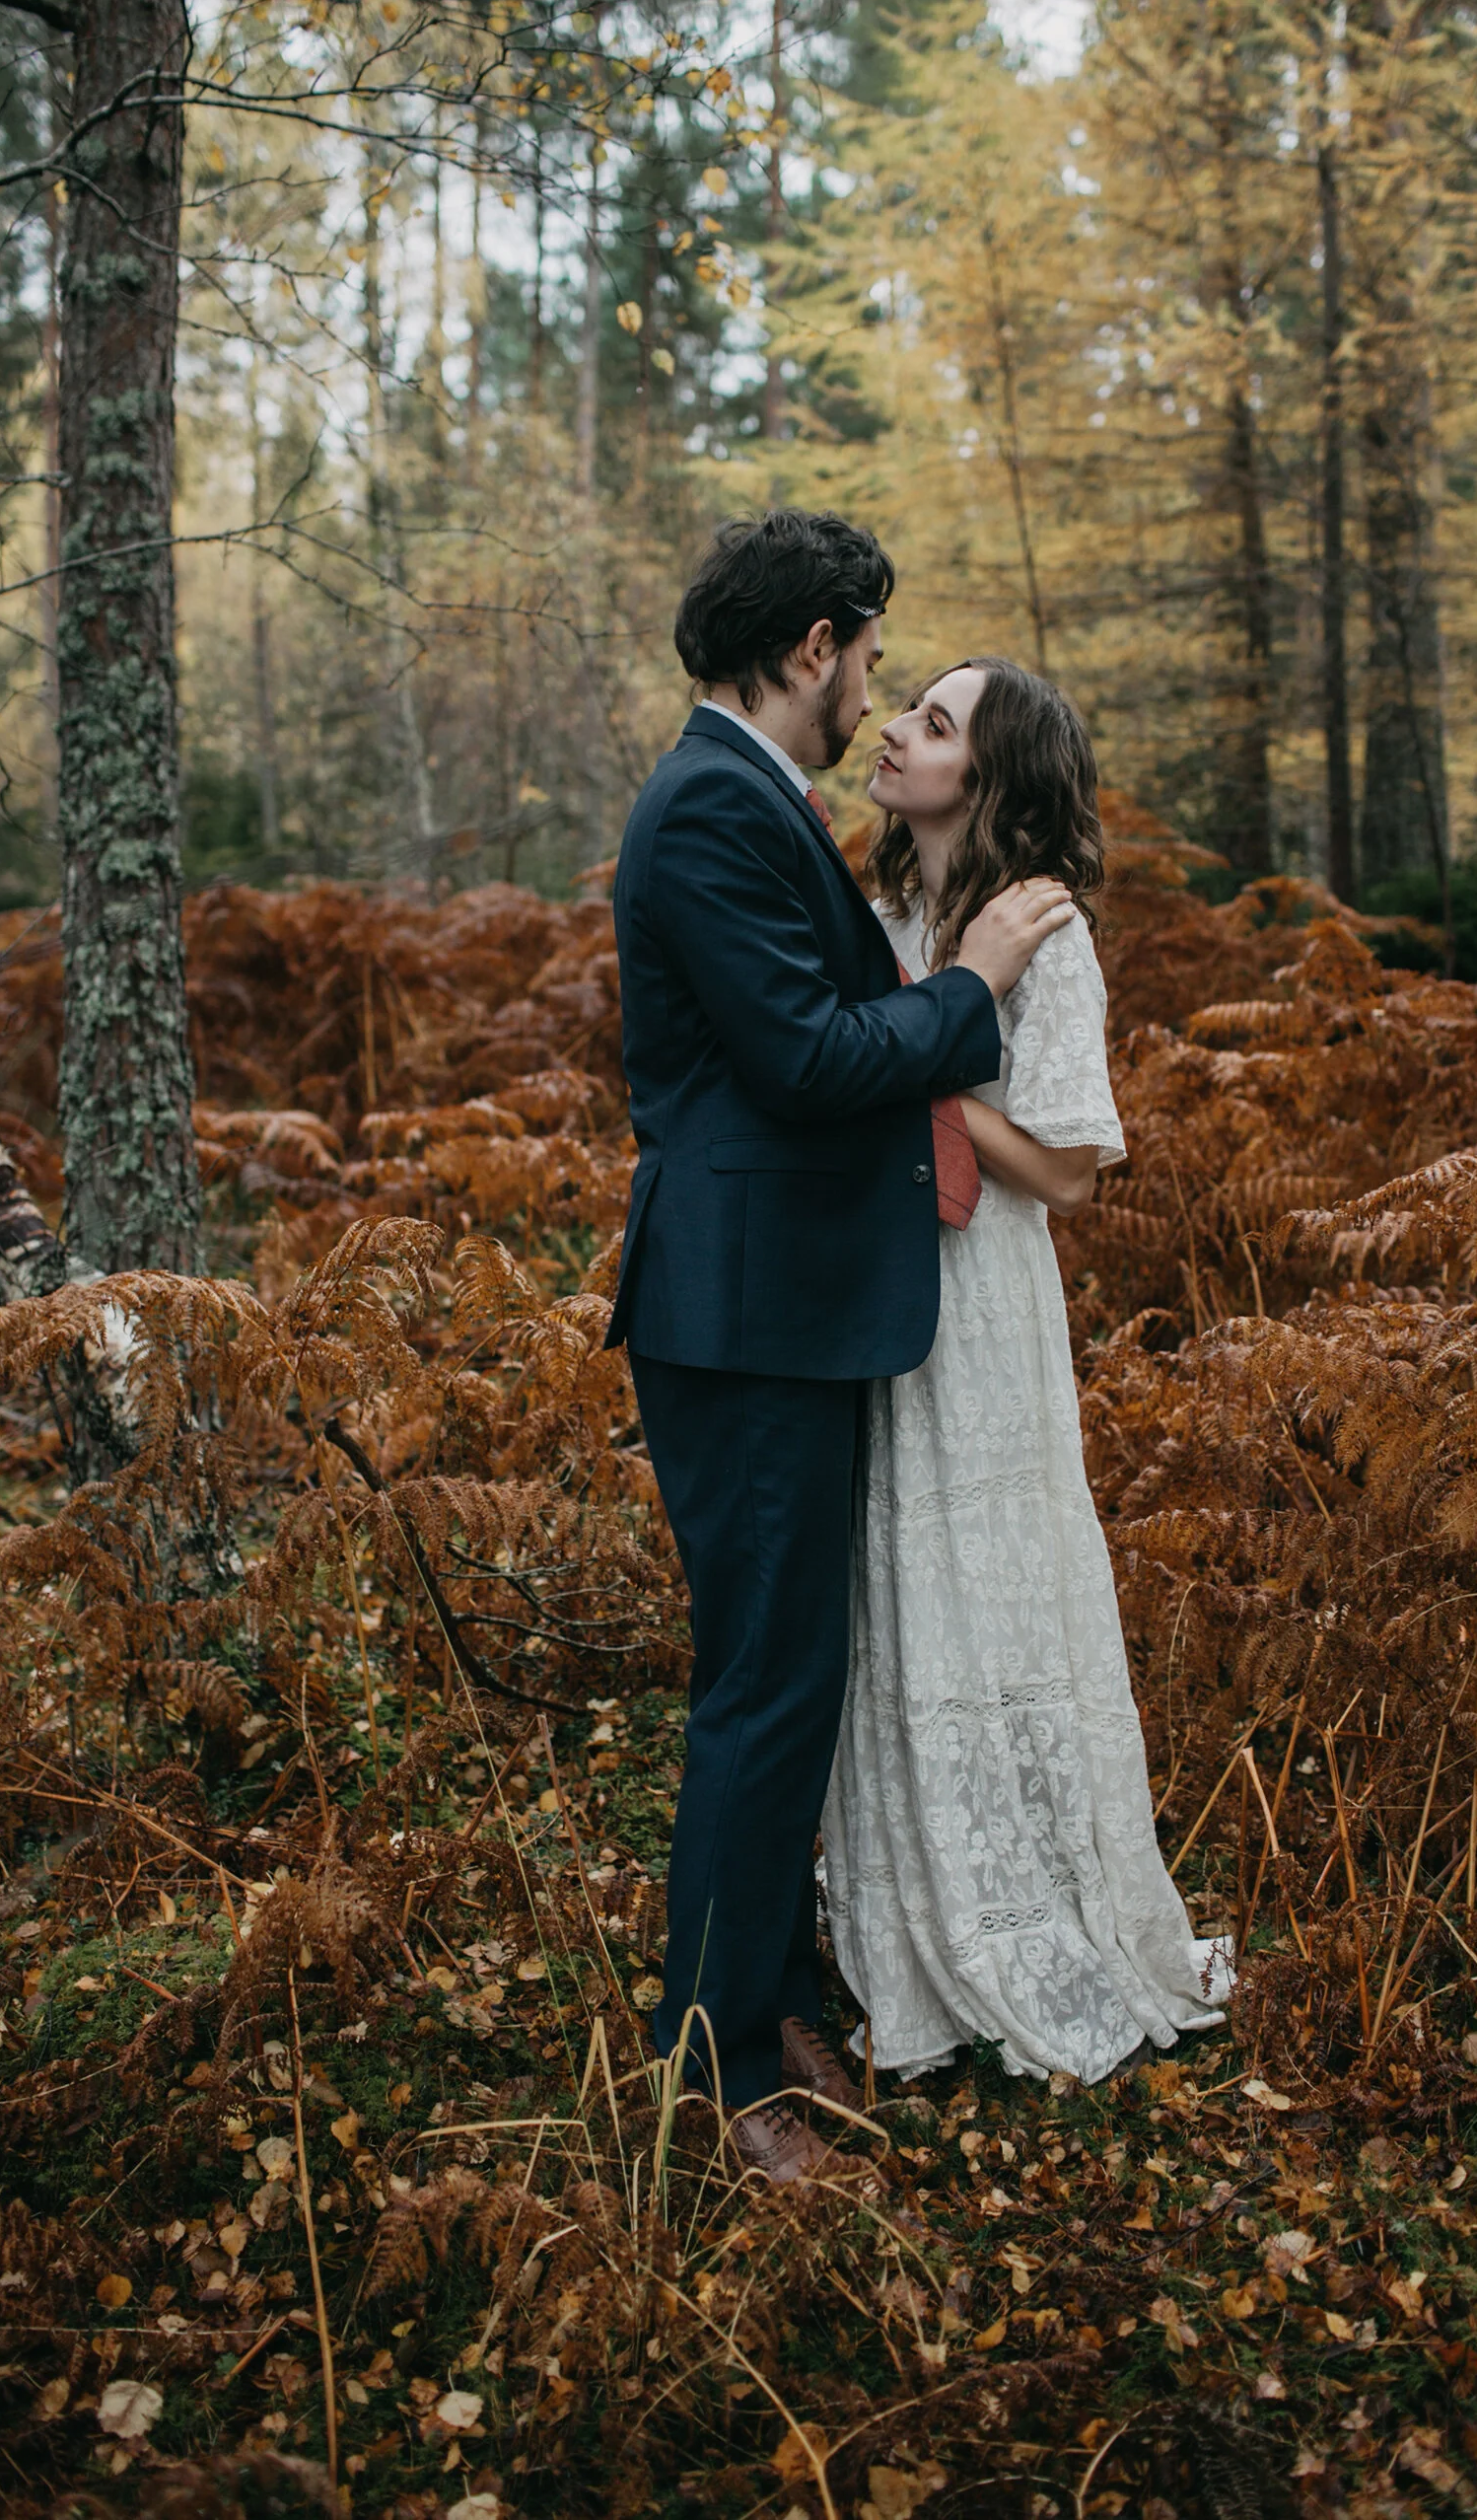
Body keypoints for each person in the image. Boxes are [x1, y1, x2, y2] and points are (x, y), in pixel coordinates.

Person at [607, 516, 1075, 2183]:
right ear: (814, 645)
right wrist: (977, 984)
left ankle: (777, 1996)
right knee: (760, 1685)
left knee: (795, 1673)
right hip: (744, 1317)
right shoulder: (711, 807)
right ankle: (718, 2072)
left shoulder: (752, 801)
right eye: (870, 657)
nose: (872, 688)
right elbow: (805, 1060)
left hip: (782, 1307)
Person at [822, 657, 1231, 2084]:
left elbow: (1065, 1172)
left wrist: (922, 1061)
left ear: (989, 779)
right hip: (866, 1276)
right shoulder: (878, 914)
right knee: (890, 1590)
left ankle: (1036, 1915)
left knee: (989, 1585)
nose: (894, 729)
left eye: (935, 724)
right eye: (907, 707)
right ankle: (911, 1921)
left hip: (981, 1289)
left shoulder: (1047, 935)